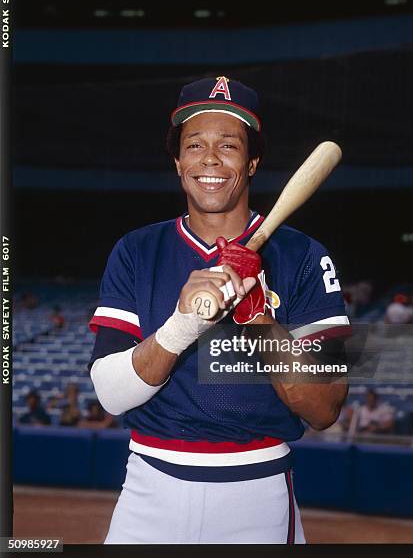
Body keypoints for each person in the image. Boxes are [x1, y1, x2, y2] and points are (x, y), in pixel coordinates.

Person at [88, 76, 351, 544]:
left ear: (252, 163)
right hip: (149, 489)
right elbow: (110, 397)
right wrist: (184, 324)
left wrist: (261, 320)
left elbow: (325, 407)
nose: (209, 159)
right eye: (194, 145)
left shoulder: (307, 255)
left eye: (228, 145)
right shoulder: (135, 250)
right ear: (177, 161)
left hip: (258, 492)